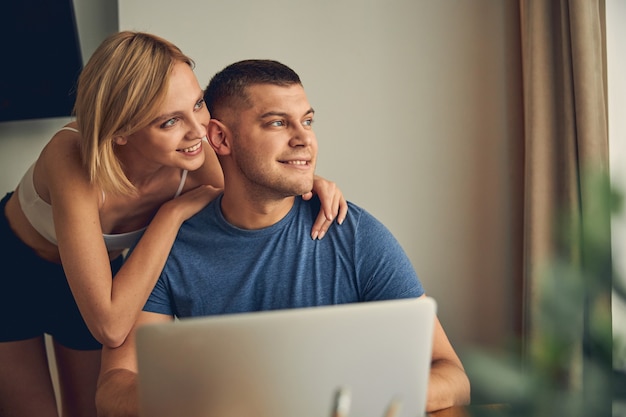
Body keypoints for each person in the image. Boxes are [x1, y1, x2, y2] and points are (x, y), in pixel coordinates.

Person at [95, 59, 471, 416]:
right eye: (277, 123)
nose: (303, 139)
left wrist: (333, 396)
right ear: (221, 138)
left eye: (307, 121)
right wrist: (208, 403)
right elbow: (114, 389)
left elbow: (452, 376)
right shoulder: (171, 247)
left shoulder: (353, 233)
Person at [0, 33, 347, 417]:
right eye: (169, 121)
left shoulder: (197, 156)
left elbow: (256, 182)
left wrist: (306, 180)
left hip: (98, 278)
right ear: (121, 132)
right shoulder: (71, 158)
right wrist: (171, 214)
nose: (199, 131)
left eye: (198, 103)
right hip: (11, 272)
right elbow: (111, 327)